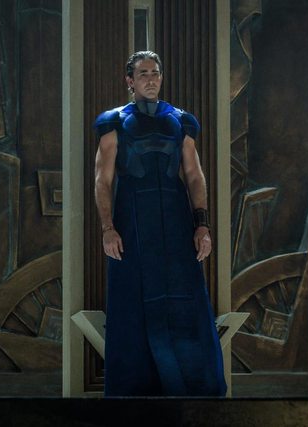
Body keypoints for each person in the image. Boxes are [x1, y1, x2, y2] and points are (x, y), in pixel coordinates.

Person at [93, 51, 226, 397]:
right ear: (130, 81)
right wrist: (108, 228)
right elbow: (102, 180)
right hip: (132, 221)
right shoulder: (113, 122)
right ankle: (132, 394)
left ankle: (194, 391)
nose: (150, 79)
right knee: (131, 303)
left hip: (176, 220)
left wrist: (202, 225)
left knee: (184, 300)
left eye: (155, 73)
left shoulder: (181, 121)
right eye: (143, 73)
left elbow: (194, 175)